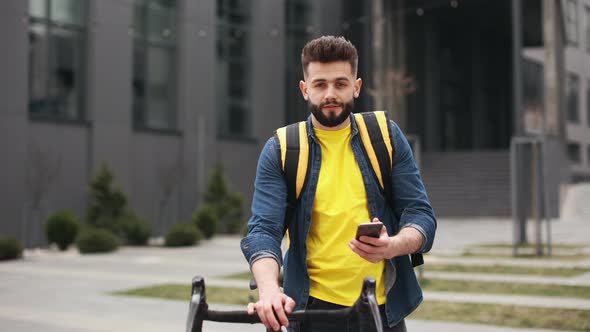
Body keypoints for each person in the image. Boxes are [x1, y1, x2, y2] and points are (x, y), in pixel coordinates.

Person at [241, 36, 436, 332]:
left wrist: (393, 246)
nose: (330, 93)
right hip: (310, 312)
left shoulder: (385, 136)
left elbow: (420, 214)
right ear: (305, 89)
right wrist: (268, 290)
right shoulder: (281, 149)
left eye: (340, 84)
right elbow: (263, 230)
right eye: (320, 84)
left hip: (380, 310)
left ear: (356, 87)